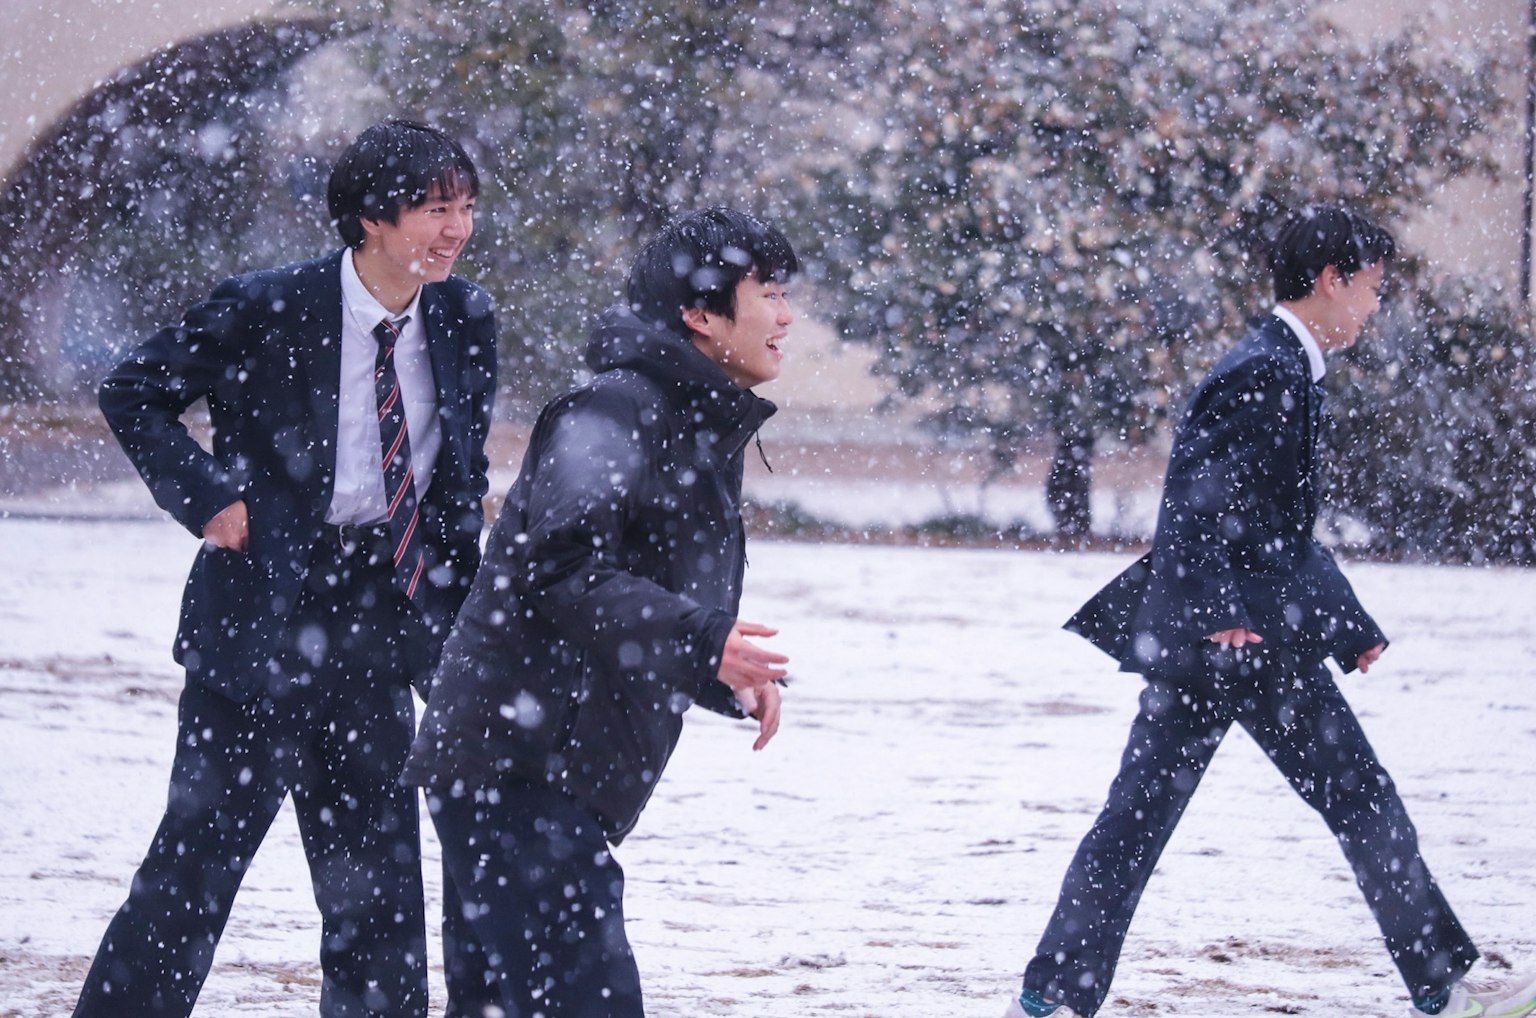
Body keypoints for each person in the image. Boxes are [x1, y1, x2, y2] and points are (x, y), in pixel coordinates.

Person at [1002, 204, 1536, 1018]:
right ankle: (1441, 988)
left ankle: (1052, 999)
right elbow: (1198, 499)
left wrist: (1346, 626)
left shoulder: (1285, 366)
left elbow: (1276, 531)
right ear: (1331, 281)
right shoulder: (1267, 371)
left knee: (1139, 821)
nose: (1375, 304)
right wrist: (1218, 610)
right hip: (1242, 644)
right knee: (1356, 801)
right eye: (1372, 288)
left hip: (1235, 641)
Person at [77, 118, 497, 1018]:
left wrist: (467, 600)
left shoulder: (464, 317)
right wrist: (208, 499)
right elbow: (133, 390)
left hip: (382, 618)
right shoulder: (271, 304)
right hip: (262, 609)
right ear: (370, 220)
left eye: (463, 207)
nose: (455, 228)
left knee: (377, 888)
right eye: (433, 208)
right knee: (193, 870)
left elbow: (460, 473)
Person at [401, 206, 794, 1018]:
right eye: (771, 292)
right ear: (700, 314)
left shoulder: (694, 420)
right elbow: (563, 568)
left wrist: (719, 668)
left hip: (540, 765)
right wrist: (703, 642)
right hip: (517, 764)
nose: (787, 317)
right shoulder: (614, 413)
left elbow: (650, 588)